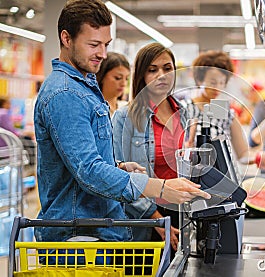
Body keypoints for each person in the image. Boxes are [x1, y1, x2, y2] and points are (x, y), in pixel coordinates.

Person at [33, 0, 209, 243]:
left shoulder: (83, 87)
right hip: (78, 235)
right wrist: (157, 187)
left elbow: (81, 161)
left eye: (106, 45)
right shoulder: (65, 94)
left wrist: (118, 166)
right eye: (93, 45)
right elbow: (88, 171)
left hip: (97, 228)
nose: (102, 54)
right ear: (66, 38)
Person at [112, 42, 186, 251]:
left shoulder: (185, 114)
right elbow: (119, 179)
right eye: (152, 70)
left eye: (167, 68)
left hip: (182, 214)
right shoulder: (124, 118)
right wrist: (157, 220)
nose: (161, 75)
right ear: (142, 76)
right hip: (144, 219)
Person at [184, 50, 265, 168]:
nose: (217, 88)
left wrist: (257, 157)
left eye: (222, 83)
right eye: (212, 82)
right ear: (199, 80)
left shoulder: (222, 110)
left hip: (222, 178)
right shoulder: (184, 108)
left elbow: (243, 153)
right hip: (191, 178)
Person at [96, 52, 130, 117]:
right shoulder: (95, 109)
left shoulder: (126, 108)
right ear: (102, 76)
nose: (124, 83)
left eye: (126, 78)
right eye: (118, 78)